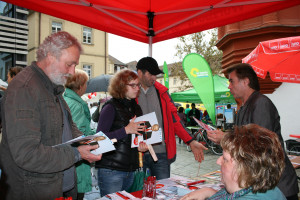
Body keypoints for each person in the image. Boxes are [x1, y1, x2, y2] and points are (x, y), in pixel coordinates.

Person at [0, 31, 102, 200]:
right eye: (69, 64)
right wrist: (78, 154)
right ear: (50, 57)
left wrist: (88, 142)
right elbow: (27, 154)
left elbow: (67, 127)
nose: (72, 71)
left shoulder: (53, 87)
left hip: (57, 185)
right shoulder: (25, 89)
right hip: (33, 190)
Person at [207, 63, 298, 200]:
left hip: (277, 185)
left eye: (232, 81)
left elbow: (259, 146)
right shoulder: (245, 106)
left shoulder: (260, 103)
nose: (229, 86)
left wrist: (225, 138)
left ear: (246, 81)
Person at [136, 56, 207, 180]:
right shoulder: (130, 93)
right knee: (138, 193)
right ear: (140, 73)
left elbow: (175, 121)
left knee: (163, 192)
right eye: (151, 74)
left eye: (156, 74)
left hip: (160, 154)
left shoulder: (162, 93)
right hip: (137, 155)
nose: (154, 78)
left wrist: (190, 141)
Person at [181, 124, 287, 200]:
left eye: (225, 159)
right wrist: (209, 192)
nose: (218, 161)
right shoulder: (271, 191)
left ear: (245, 169)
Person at [95, 69, 148, 197]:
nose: (137, 88)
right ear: (121, 86)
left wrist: (142, 145)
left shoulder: (136, 108)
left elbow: (138, 135)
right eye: (133, 85)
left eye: (138, 85)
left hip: (130, 169)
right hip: (111, 170)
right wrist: (125, 130)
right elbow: (99, 139)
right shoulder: (110, 107)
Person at [63, 69, 96, 200]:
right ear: (81, 86)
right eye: (86, 84)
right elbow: (77, 134)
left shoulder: (65, 99)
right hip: (77, 160)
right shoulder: (77, 105)